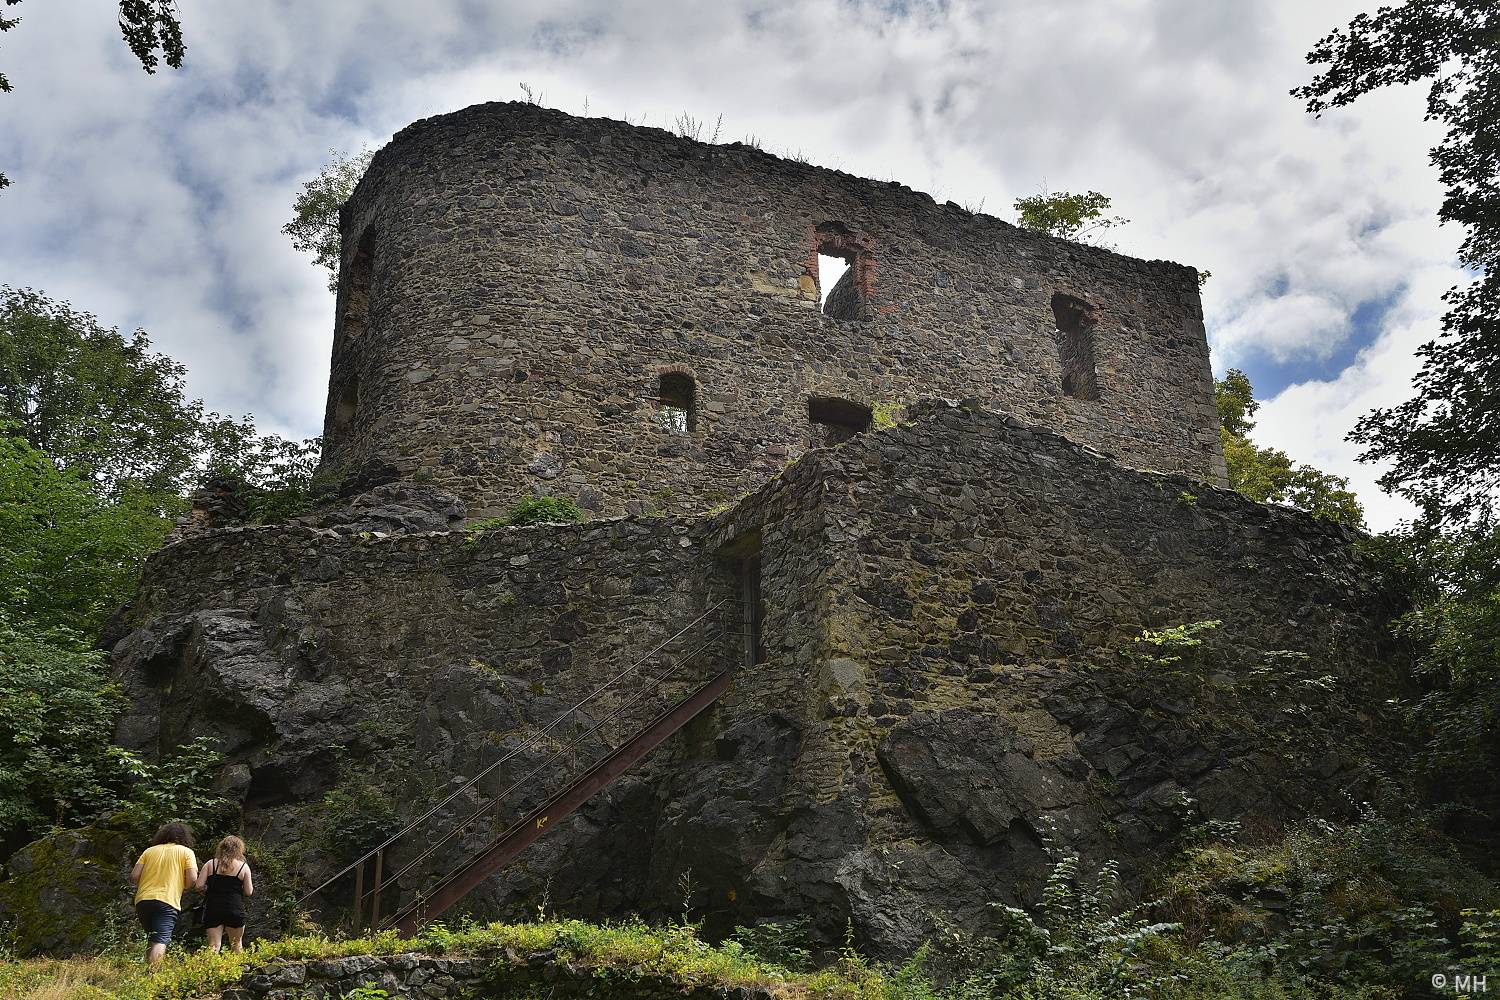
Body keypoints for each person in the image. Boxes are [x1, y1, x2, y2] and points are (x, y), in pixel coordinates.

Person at [130, 822, 199, 968]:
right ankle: (153, 977)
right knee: (160, 940)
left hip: (143, 900)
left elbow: (135, 876)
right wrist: (183, 887)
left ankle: (147, 973)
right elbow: (193, 879)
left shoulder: (149, 851)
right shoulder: (186, 852)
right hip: (167, 900)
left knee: (152, 938)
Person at [195, 835, 254, 952]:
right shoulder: (243, 867)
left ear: (221, 848)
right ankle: (238, 970)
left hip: (213, 908)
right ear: (239, 849)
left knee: (213, 946)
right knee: (236, 945)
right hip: (234, 908)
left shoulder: (210, 864)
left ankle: (211, 970)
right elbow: (248, 892)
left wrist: (209, 888)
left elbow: (198, 886)